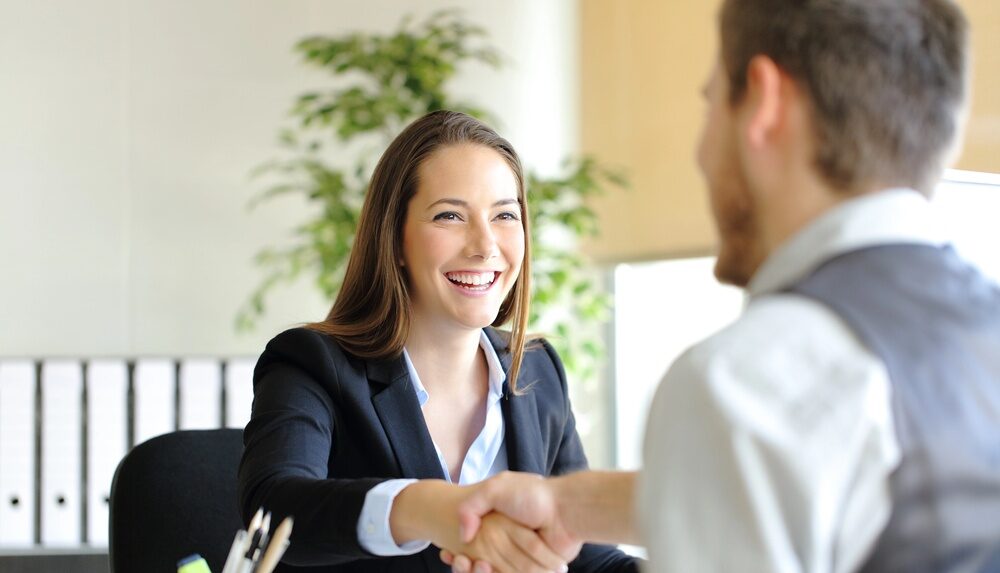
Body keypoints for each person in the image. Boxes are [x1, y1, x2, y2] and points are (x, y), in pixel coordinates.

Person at [445, 0, 1000, 571]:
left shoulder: (742, 384)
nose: (702, 154)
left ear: (763, 103)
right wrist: (567, 504)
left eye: (711, 105)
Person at [237, 110, 638, 573]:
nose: (485, 245)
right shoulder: (312, 365)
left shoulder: (537, 369)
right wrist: (434, 509)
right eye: (449, 215)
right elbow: (272, 511)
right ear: (395, 239)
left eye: (505, 215)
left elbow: (583, 553)